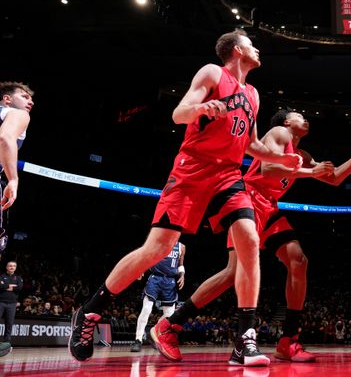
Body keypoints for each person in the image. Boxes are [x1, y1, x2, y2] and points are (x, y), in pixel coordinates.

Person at [68, 30, 302, 366]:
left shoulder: (253, 93)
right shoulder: (212, 73)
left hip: (228, 176)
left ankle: (244, 342)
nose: (258, 48)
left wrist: (281, 160)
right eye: (252, 44)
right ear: (237, 50)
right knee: (158, 248)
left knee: (250, 240)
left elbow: (251, 145)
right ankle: (91, 311)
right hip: (193, 171)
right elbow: (179, 114)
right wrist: (201, 108)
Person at [150, 109, 351, 364]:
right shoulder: (279, 133)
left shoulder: (303, 155)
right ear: (286, 122)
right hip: (247, 200)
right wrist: (310, 173)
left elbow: (334, 178)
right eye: (299, 115)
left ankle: (288, 340)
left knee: (298, 261)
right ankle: (169, 325)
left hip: (269, 207)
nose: (305, 118)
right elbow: (269, 169)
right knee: (234, 272)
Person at [131, 240, 185, 352]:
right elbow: (147, 256)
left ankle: (153, 332)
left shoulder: (181, 247)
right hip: (155, 278)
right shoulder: (159, 241)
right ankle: (138, 340)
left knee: (169, 315)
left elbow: (180, 265)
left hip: (170, 281)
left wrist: (182, 275)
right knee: (146, 309)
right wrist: (141, 268)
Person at [0, 82, 35, 249]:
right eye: (24, 96)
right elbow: (5, 137)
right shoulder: (18, 114)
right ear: (7, 99)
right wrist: (13, 179)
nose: (31, 102)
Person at [0, 260, 22, 357]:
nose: (12, 267)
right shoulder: (1, 276)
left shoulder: (18, 278)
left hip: (12, 304)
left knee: (9, 324)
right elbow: (0, 286)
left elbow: (20, 287)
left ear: (15, 268)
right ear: (7, 267)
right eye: (10, 266)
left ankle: (7, 343)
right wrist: (11, 286)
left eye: (13, 266)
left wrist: (6, 286)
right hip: (1, 302)